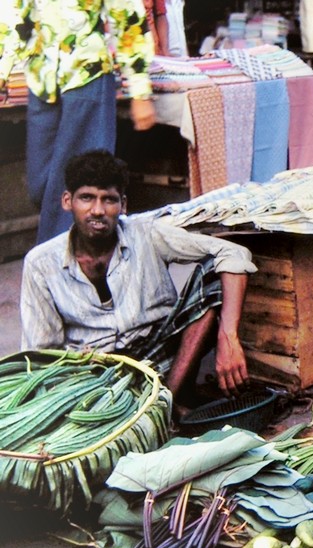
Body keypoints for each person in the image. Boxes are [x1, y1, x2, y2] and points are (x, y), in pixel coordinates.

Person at [20, 151, 257, 415]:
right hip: (96, 373)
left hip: (161, 356)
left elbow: (233, 253)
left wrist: (228, 336)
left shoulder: (147, 233)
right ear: (68, 201)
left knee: (213, 274)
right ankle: (155, 409)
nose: (97, 210)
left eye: (108, 200)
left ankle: (166, 403)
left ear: (123, 205)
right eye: (86, 198)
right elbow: (42, 354)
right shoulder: (41, 263)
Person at [0, 1, 157, 245]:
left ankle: (63, 269)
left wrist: (140, 91)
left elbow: (128, 21)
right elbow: (12, 15)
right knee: (40, 185)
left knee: (85, 183)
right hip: (42, 81)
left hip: (87, 78)